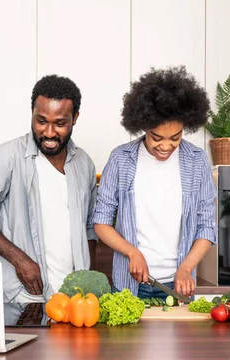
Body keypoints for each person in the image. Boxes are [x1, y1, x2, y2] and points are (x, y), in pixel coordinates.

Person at [0, 74, 98, 303]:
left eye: (60, 123)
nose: (49, 133)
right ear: (32, 113)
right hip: (23, 297)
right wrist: (20, 260)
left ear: (75, 118)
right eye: (41, 121)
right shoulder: (6, 157)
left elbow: (89, 227)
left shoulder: (84, 163)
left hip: (73, 300)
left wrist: (88, 279)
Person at [91, 65, 217, 300]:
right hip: (128, 284)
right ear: (143, 125)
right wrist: (132, 253)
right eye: (157, 137)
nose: (166, 146)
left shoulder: (196, 161)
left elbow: (207, 226)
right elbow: (100, 222)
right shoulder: (121, 159)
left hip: (177, 285)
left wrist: (186, 268)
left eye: (175, 138)